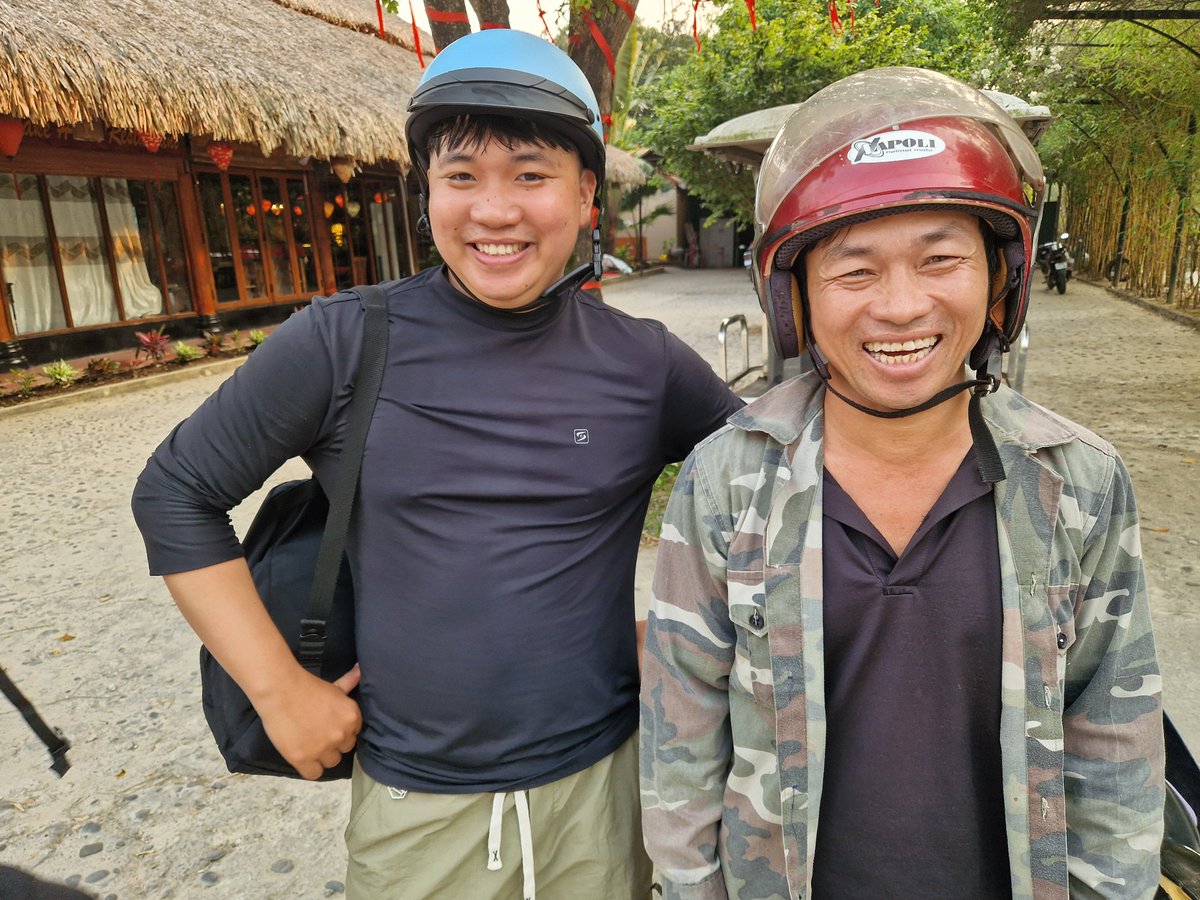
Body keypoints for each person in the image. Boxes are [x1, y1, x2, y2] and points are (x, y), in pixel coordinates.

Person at [132, 29, 742, 899]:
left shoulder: (644, 362)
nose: (495, 212)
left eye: (531, 175)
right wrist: (277, 692)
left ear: (585, 192)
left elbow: (767, 489)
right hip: (417, 804)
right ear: (427, 192)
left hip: (607, 788)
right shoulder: (345, 340)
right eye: (461, 177)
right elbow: (175, 492)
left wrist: (685, 636)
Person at [639, 67, 1164, 900]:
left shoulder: (1077, 483)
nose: (900, 305)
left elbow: (1114, 745)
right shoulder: (730, 483)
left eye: (939, 259)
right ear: (796, 300)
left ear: (999, 283)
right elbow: (682, 746)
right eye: (854, 271)